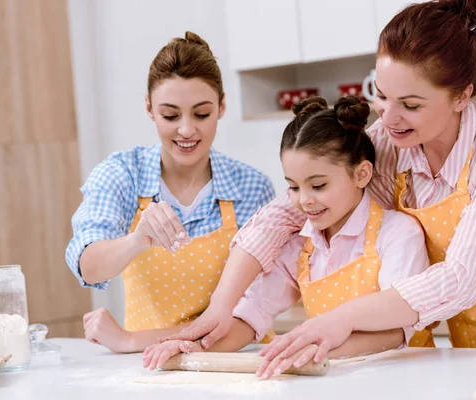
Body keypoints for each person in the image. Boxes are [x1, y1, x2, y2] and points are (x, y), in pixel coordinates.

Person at [170, 0, 476, 361]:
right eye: (381, 95)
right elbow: (284, 214)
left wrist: (337, 322)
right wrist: (220, 307)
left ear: (462, 96)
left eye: (410, 105)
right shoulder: (392, 144)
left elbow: (460, 280)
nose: (389, 118)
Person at [143, 96, 430, 376]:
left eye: (318, 185)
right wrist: (194, 348)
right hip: (332, 381)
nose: (304, 200)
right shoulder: (300, 245)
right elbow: (251, 314)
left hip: (405, 379)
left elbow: (395, 332)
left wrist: (312, 350)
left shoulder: (397, 234)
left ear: (361, 174)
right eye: (293, 187)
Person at [65, 31, 275, 353]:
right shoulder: (123, 175)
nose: (187, 130)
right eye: (170, 115)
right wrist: (136, 241)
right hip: (149, 369)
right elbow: (88, 265)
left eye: (201, 114)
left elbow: (251, 311)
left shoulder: (252, 188)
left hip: (233, 360)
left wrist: (131, 340)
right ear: (150, 109)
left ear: (221, 107)